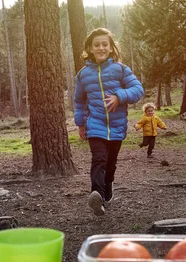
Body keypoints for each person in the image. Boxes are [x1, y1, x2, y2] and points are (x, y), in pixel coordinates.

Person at [74, 28, 144, 216]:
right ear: (90, 48)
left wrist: (119, 96)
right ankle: (96, 194)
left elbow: (138, 90)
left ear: (111, 47)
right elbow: (79, 101)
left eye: (105, 44)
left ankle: (107, 187)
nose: (101, 48)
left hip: (116, 126)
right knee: (99, 159)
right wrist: (80, 124)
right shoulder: (83, 75)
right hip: (94, 124)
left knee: (110, 163)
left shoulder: (121, 70)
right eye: (97, 45)